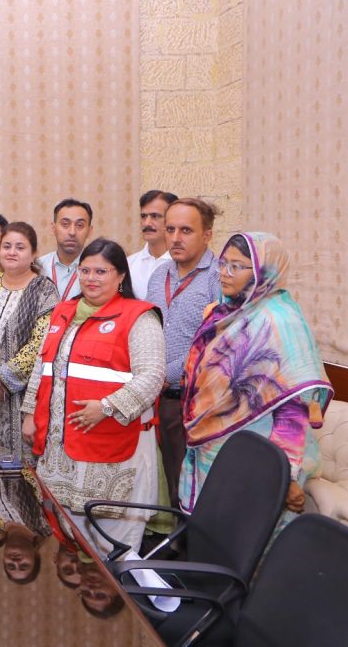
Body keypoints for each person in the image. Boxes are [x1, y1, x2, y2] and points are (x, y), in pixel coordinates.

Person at [179, 232, 332, 530]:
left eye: (237, 266)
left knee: (246, 543)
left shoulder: (278, 321)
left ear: (264, 272)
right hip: (215, 446)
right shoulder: (228, 312)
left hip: (257, 454)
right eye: (223, 263)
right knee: (213, 537)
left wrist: (284, 476)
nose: (224, 273)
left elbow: (293, 409)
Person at [22, 238, 165, 557]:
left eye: (101, 271)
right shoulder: (64, 312)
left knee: (114, 552)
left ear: (120, 276)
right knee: (70, 541)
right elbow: (43, 365)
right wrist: (30, 412)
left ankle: (123, 600)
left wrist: (107, 407)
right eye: (85, 270)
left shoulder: (139, 317)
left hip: (113, 451)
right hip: (60, 453)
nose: (91, 278)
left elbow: (153, 376)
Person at [146, 197, 220, 507]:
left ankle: (195, 549)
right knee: (168, 483)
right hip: (157, 400)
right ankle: (174, 544)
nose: (175, 238)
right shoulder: (158, 276)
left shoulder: (219, 278)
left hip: (197, 402)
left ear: (207, 235)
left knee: (197, 489)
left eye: (186, 230)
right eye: (171, 229)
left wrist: (167, 373)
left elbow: (214, 340)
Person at [0, 222, 58, 466]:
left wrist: (2, 377)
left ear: (34, 253)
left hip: (25, 397)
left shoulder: (44, 291)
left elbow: (40, 344)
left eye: (20, 247)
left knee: (22, 474)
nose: (11, 252)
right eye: (6, 246)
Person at [36, 198, 94, 300]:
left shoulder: (97, 270)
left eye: (80, 225)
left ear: (90, 231)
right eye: (65, 224)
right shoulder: (38, 267)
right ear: (53, 228)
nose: (72, 232)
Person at [127, 190, 178, 300]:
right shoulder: (129, 264)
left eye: (155, 216)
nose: (147, 223)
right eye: (144, 216)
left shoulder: (183, 264)